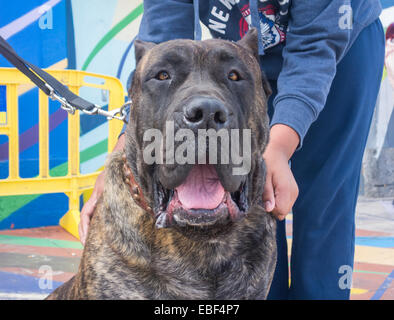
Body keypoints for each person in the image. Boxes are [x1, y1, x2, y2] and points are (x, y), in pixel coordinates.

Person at [79, 0, 385, 300]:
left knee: (323, 201)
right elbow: (161, 44)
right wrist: (127, 153)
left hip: (337, 49)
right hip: (238, 60)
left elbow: (315, 47)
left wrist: (277, 150)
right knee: (253, 207)